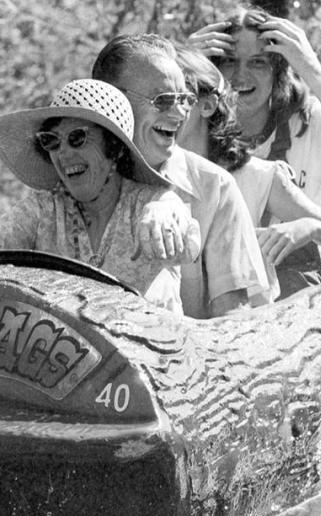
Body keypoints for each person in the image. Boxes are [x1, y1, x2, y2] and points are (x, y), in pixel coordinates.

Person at [0, 78, 200, 315]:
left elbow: (184, 236)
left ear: (115, 147)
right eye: (51, 142)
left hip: (151, 372)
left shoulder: (151, 203)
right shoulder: (44, 208)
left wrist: (166, 216)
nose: (63, 153)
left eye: (77, 138)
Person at [174, 45, 321, 300]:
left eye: (178, 99)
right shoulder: (149, 173)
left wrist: (311, 228)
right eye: (158, 101)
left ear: (206, 105)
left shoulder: (257, 177)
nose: (166, 113)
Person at [91, 34, 270, 319]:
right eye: (162, 100)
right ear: (110, 102)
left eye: (184, 99)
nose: (179, 113)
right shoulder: (69, 173)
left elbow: (233, 322)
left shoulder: (215, 188)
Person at [187, 4, 321, 213]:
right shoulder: (193, 123)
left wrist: (311, 67)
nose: (241, 76)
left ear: (278, 71)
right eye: (230, 61)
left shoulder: (307, 120)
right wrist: (184, 72)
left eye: (257, 62)